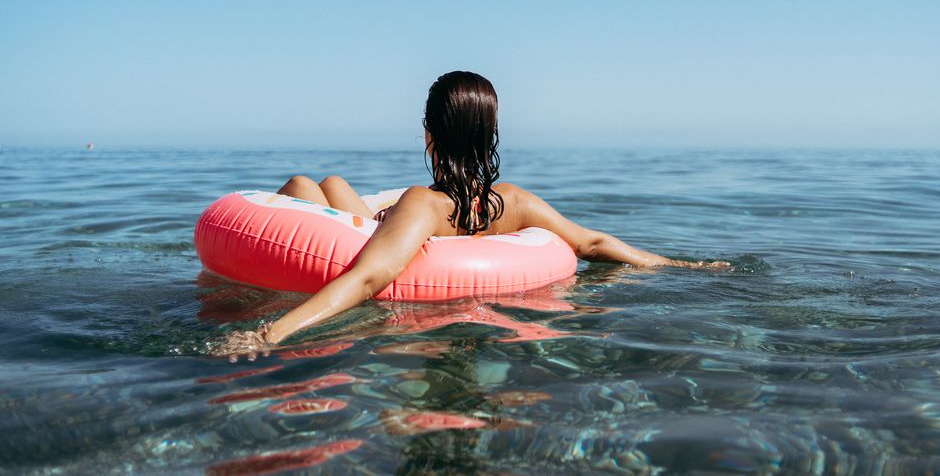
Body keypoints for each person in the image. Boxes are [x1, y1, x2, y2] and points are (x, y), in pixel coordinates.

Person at [217, 71, 728, 358]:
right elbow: (593, 243)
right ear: (490, 135)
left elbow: (371, 274)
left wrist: (270, 333)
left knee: (309, 185)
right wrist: (681, 267)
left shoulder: (425, 203)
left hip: (380, 267)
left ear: (430, 134)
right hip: (448, 268)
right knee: (333, 185)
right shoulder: (512, 202)